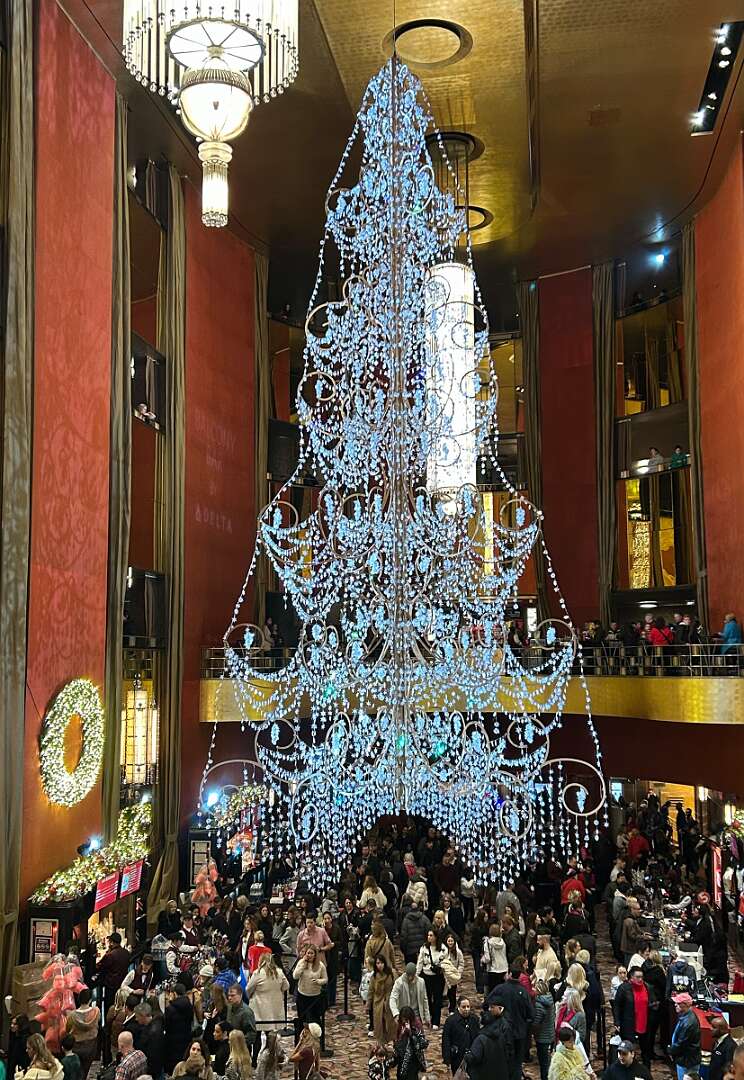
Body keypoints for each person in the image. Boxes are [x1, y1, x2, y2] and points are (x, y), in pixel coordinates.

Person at [487, 966, 535, 1080]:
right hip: (519, 1033)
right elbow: (531, 1014)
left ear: (509, 974)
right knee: (517, 1062)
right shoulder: (523, 992)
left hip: (501, 1031)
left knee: (502, 1060)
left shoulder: (500, 989)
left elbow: (486, 1003)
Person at [613, 966, 655, 1066]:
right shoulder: (624, 988)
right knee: (629, 1051)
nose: (640, 979)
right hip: (629, 1024)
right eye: (637, 977)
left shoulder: (647, 987)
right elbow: (617, 1006)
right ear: (631, 977)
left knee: (646, 1051)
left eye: (641, 977)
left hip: (645, 1023)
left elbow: (652, 1002)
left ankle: (646, 1071)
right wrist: (617, 1021)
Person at [245, 953, 288, 1046]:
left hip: (259, 1008)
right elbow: (286, 986)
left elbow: (248, 989)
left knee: (257, 1036)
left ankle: (255, 1055)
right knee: (270, 1033)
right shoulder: (279, 972)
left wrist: (250, 996)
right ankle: (272, 1053)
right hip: (274, 1008)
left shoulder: (258, 973)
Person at [464, 1000, 511, 1080]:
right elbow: (508, 1052)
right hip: (500, 1073)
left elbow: (474, 1058)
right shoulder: (501, 1035)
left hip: (483, 1074)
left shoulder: (481, 1039)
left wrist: (467, 1056)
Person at [64, 989, 100, 1080]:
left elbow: (67, 1029)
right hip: (91, 1045)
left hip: (77, 1045)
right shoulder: (96, 1011)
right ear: (90, 1000)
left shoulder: (72, 1015)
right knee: (86, 1068)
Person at [416, 928, 446, 1030]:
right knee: (427, 998)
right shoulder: (424, 948)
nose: (429, 937)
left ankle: (436, 1021)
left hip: (438, 977)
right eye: (428, 935)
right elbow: (420, 962)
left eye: (431, 935)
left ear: (436, 937)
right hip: (426, 976)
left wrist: (441, 968)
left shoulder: (443, 948)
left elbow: (446, 962)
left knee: (438, 999)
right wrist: (416, 975)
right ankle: (430, 1016)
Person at [293, 943, 327, 1033]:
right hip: (302, 995)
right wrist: (302, 966)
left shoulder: (320, 965)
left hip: (315, 996)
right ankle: (302, 1036)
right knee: (302, 1018)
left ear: (315, 955)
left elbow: (325, 979)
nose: (310, 955)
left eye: (312, 953)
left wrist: (319, 981)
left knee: (315, 1019)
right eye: (308, 953)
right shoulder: (301, 962)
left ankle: (317, 1036)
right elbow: (295, 976)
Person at [441, 996, 479, 1077]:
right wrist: (447, 1059)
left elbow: (478, 1037)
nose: (466, 1009)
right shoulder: (451, 1021)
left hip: (472, 1056)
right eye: (463, 1007)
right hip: (457, 1057)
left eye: (468, 1006)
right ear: (458, 1007)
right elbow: (446, 1040)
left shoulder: (474, 1019)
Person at [669, 993, 701, 1080]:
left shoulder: (688, 1023)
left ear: (686, 1005)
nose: (675, 1005)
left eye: (678, 1003)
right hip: (685, 1058)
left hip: (687, 1061)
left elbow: (681, 1044)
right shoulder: (685, 1016)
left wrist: (670, 1050)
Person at [164, 984, 195, 1074]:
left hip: (172, 1042)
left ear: (174, 993)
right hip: (186, 1039)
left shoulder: (170, 1009)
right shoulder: (189, 1005)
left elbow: (166, 1025)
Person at [393, 1007, 428, 1080]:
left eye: (405, 1019)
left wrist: (410, 1032)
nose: (404, 1021)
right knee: (401, 1075)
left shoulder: (417, 1024)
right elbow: (396, 1041)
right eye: (402, 1018)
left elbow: (421, 1042)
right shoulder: (399, 1025)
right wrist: (402, 1034)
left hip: (413, 1058)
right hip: (402, 1056)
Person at [369, 955, 396, 1045]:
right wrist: (368, 1005)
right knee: (379, 1025)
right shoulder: (374, 977)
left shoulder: (391, 973)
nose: (380, 965)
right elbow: (371, 991)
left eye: (381, 963)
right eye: (378, 963)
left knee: (391, 1024)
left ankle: (393, 1042)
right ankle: (381, 1044)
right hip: (378, 1003)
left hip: (389, 1002)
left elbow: (397, 988)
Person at [533, 979, 557, 1080]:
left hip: (542, 1037)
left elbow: (536, 1024)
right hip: (550, 1034)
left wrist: (533, 1033)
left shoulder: (539, 1005)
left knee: (543, 1064)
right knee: (548, 1062)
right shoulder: (550, 1000)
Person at [134, 1003, 164, 1080]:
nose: (136, 1019)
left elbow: (153, 1056)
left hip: (153, 1072)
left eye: (137, 1016)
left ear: (143, 1016)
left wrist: (149, 1073)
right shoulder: (154, 1025)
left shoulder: (153, 1032)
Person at [225, 984, 257, 1051]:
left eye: (232, 995)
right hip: (230, 1045)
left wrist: (238, 1041)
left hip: (243, 1048)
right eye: (228, 995)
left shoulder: (246, 1012)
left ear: (240, 995)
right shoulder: (229, 1007)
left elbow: (252, 1034)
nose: (229, 998)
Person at [400, 903, 431, 967]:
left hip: (409, 951)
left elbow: (403, 937)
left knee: (410, 969)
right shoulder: (425, 918)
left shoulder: (406, 920)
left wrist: (403, 950)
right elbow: (429, 933)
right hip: (422, 949)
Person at [441, 932, 464, 1014]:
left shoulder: (458, 952)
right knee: (444, 992)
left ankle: (452, 1009)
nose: (450, 943)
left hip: (453, 976)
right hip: (444, 975)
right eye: (449, 941)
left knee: (452, 993)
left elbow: (461, 963)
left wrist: (458, 973)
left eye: (451, 941)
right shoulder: (443, 951)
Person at [483, 922, 509, 992]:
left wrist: (482, 960)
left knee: (493, 991)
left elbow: (487, 959)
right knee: (503, 991)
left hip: (493, 969)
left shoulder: (487, 943)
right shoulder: (503, 942)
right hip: (504, 968)